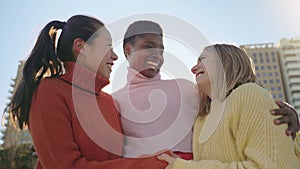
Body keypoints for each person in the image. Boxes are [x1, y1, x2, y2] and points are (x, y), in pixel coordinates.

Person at [112, 21, 300, 160]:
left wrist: (287, 110)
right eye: (148, 46)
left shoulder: (187, 88)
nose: (157, 53)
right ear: (128, 50)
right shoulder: (114, 100)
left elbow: (229, 97)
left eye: (161, 49)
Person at [5, 15, 167, 169]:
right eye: (108, 46)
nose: (115, 56)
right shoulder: (49, 92)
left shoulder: (110, 102)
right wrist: (154, 165)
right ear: (81, 46)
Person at [158, 44, 300, 168]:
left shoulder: (249, 94)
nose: (193, 69)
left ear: (225, 61)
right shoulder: (201, 120)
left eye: (202, 59)